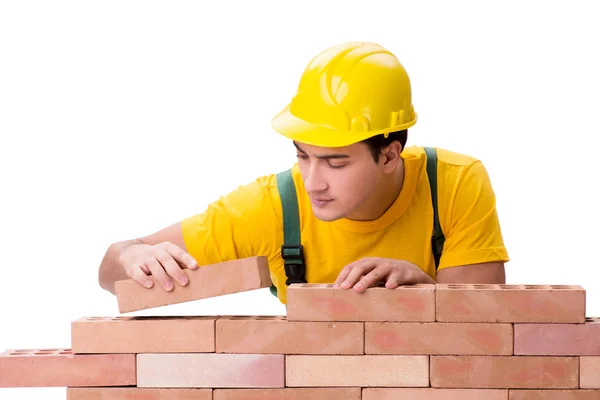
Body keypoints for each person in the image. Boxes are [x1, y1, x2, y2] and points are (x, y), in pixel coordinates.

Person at [98, 41, 509, 304]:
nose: (313, 182)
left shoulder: (453, 185)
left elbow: (486, 334)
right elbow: (112, 269)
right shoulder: (273, 207)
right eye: (303, 156)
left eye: (335, 162)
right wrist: (134, 256)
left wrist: (422, 288)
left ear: (389, 155)